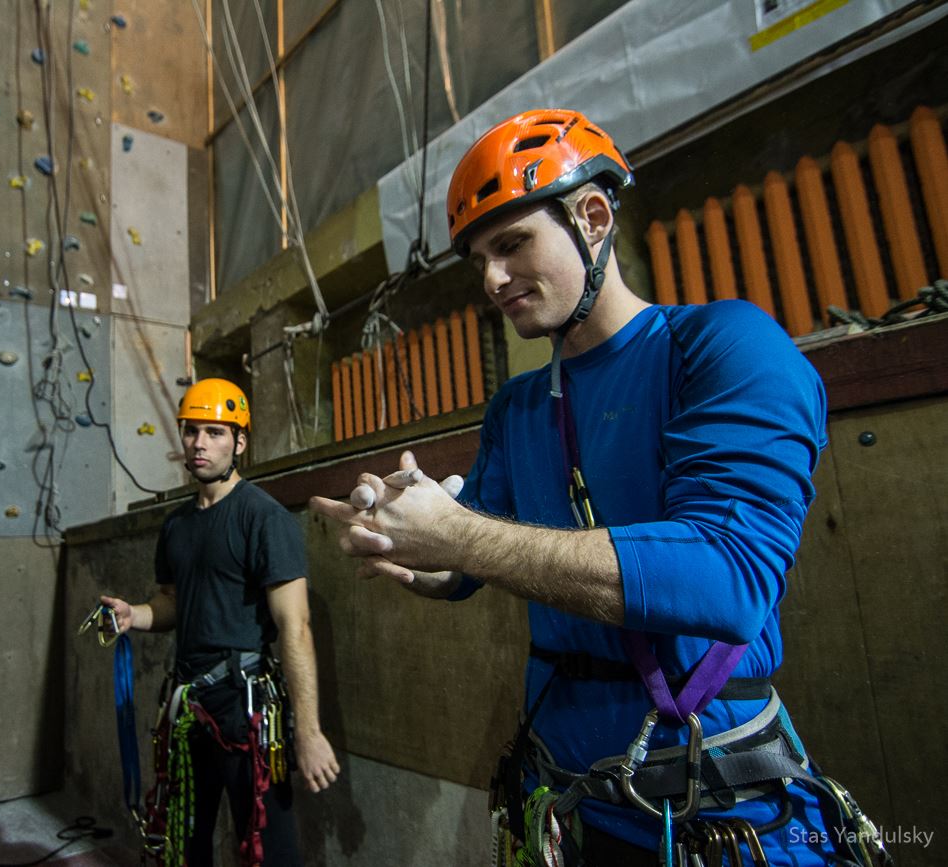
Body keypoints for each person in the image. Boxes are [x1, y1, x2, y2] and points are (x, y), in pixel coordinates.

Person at [310, 109, 887, 866]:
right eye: (479, 257)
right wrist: (413, 544)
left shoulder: (725, 347)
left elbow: (728, 577)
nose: (490, 278)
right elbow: (474, 558)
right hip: (569, 799)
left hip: (716, 804)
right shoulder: (517, 407)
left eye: (512, 243)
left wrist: (457, 533)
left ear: (592, 216)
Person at [102, 378, 340, 866]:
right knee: (186, 845)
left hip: (245, 707)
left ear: (240, 442)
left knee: (269, 850)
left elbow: (296, 628)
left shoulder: (263, 519)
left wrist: (308, 732)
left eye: (214, 432)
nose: (200, 444)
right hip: (188, 706)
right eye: (192, 432)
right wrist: (137, 616)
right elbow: (172, 602)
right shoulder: (177, 525)